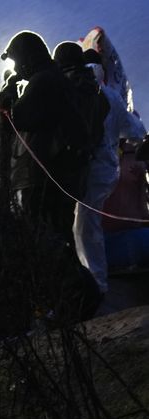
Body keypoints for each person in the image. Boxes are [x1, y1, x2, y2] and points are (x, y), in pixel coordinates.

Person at [0, 30, 85, 242]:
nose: (16, 68)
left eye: (17, 62)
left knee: (50, 240)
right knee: (60, 236)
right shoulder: (54, 77)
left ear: (28, 58)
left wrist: (8, 95)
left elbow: (13, 120)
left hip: (44, 176)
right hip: (58, 173)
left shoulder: (43, 81)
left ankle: (74, 276)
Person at [74, 49, 146, 292]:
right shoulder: (111, 98)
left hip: (89, 175)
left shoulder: (76, 96)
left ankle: (96, 287)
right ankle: (96, 283)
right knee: (88, 230)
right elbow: (135, 131)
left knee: (85, 231)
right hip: (107, 172)